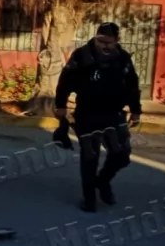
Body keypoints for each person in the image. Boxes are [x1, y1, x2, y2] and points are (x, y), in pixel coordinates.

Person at [54, 22, 142, 213]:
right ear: (96, 37)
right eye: (100, 41)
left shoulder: (123, 58)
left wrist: (136, 110)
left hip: (115, 114)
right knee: (90, 157)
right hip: (87, 113)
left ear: (116, 40)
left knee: (121, 155)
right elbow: (65, 80)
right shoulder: (82, 55)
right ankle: (89, 198)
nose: (104, 45)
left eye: (108, 42)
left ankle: (102, 182)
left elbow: (133, 85)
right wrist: (60, 105)